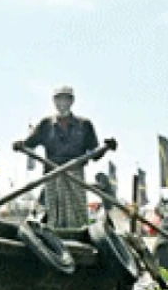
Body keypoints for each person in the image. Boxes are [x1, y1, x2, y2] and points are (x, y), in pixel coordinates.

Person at [13, 86, 114, 229]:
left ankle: (78, 235)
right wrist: (19, 145)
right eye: (58, 99)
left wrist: (106, 147)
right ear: (53, 101)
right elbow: (29, 144)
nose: (62, 103)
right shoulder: (46, 124)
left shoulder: (84, 125)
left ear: (71, 101)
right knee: (54, 215)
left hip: (75, 175)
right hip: (52, 175)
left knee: (77, 215)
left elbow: (94, 155)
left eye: (65, 99)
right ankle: (55, 236)